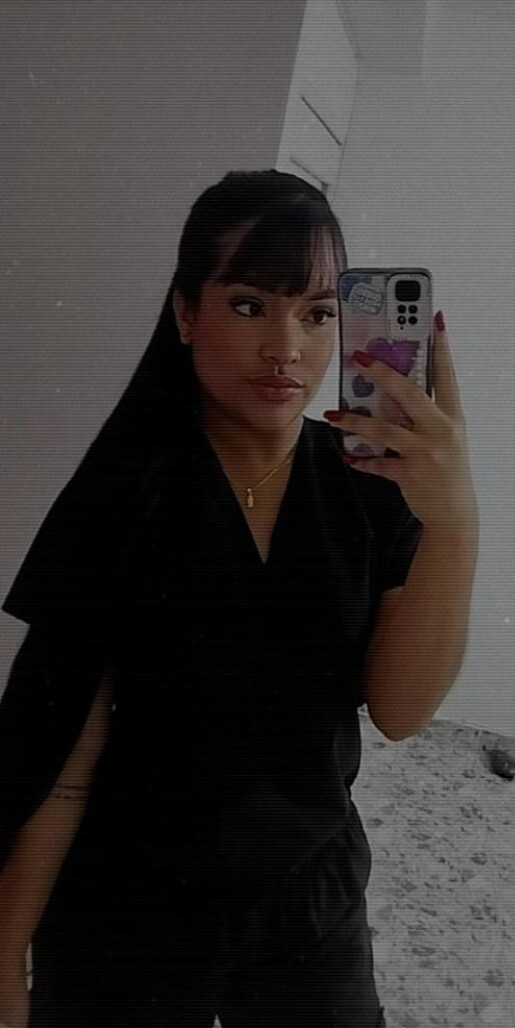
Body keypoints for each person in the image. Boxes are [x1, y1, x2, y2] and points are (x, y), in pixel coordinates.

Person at [0, 170, 426, 1027]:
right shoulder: (127, 496)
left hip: (308, 893)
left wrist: (457, 517)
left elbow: (401, 710)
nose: (286, 348)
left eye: (316, 313)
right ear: (185, 312)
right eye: (248, 305)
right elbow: (65, 759)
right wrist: (6, 956)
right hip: (132, 901)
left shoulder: (371, 492)